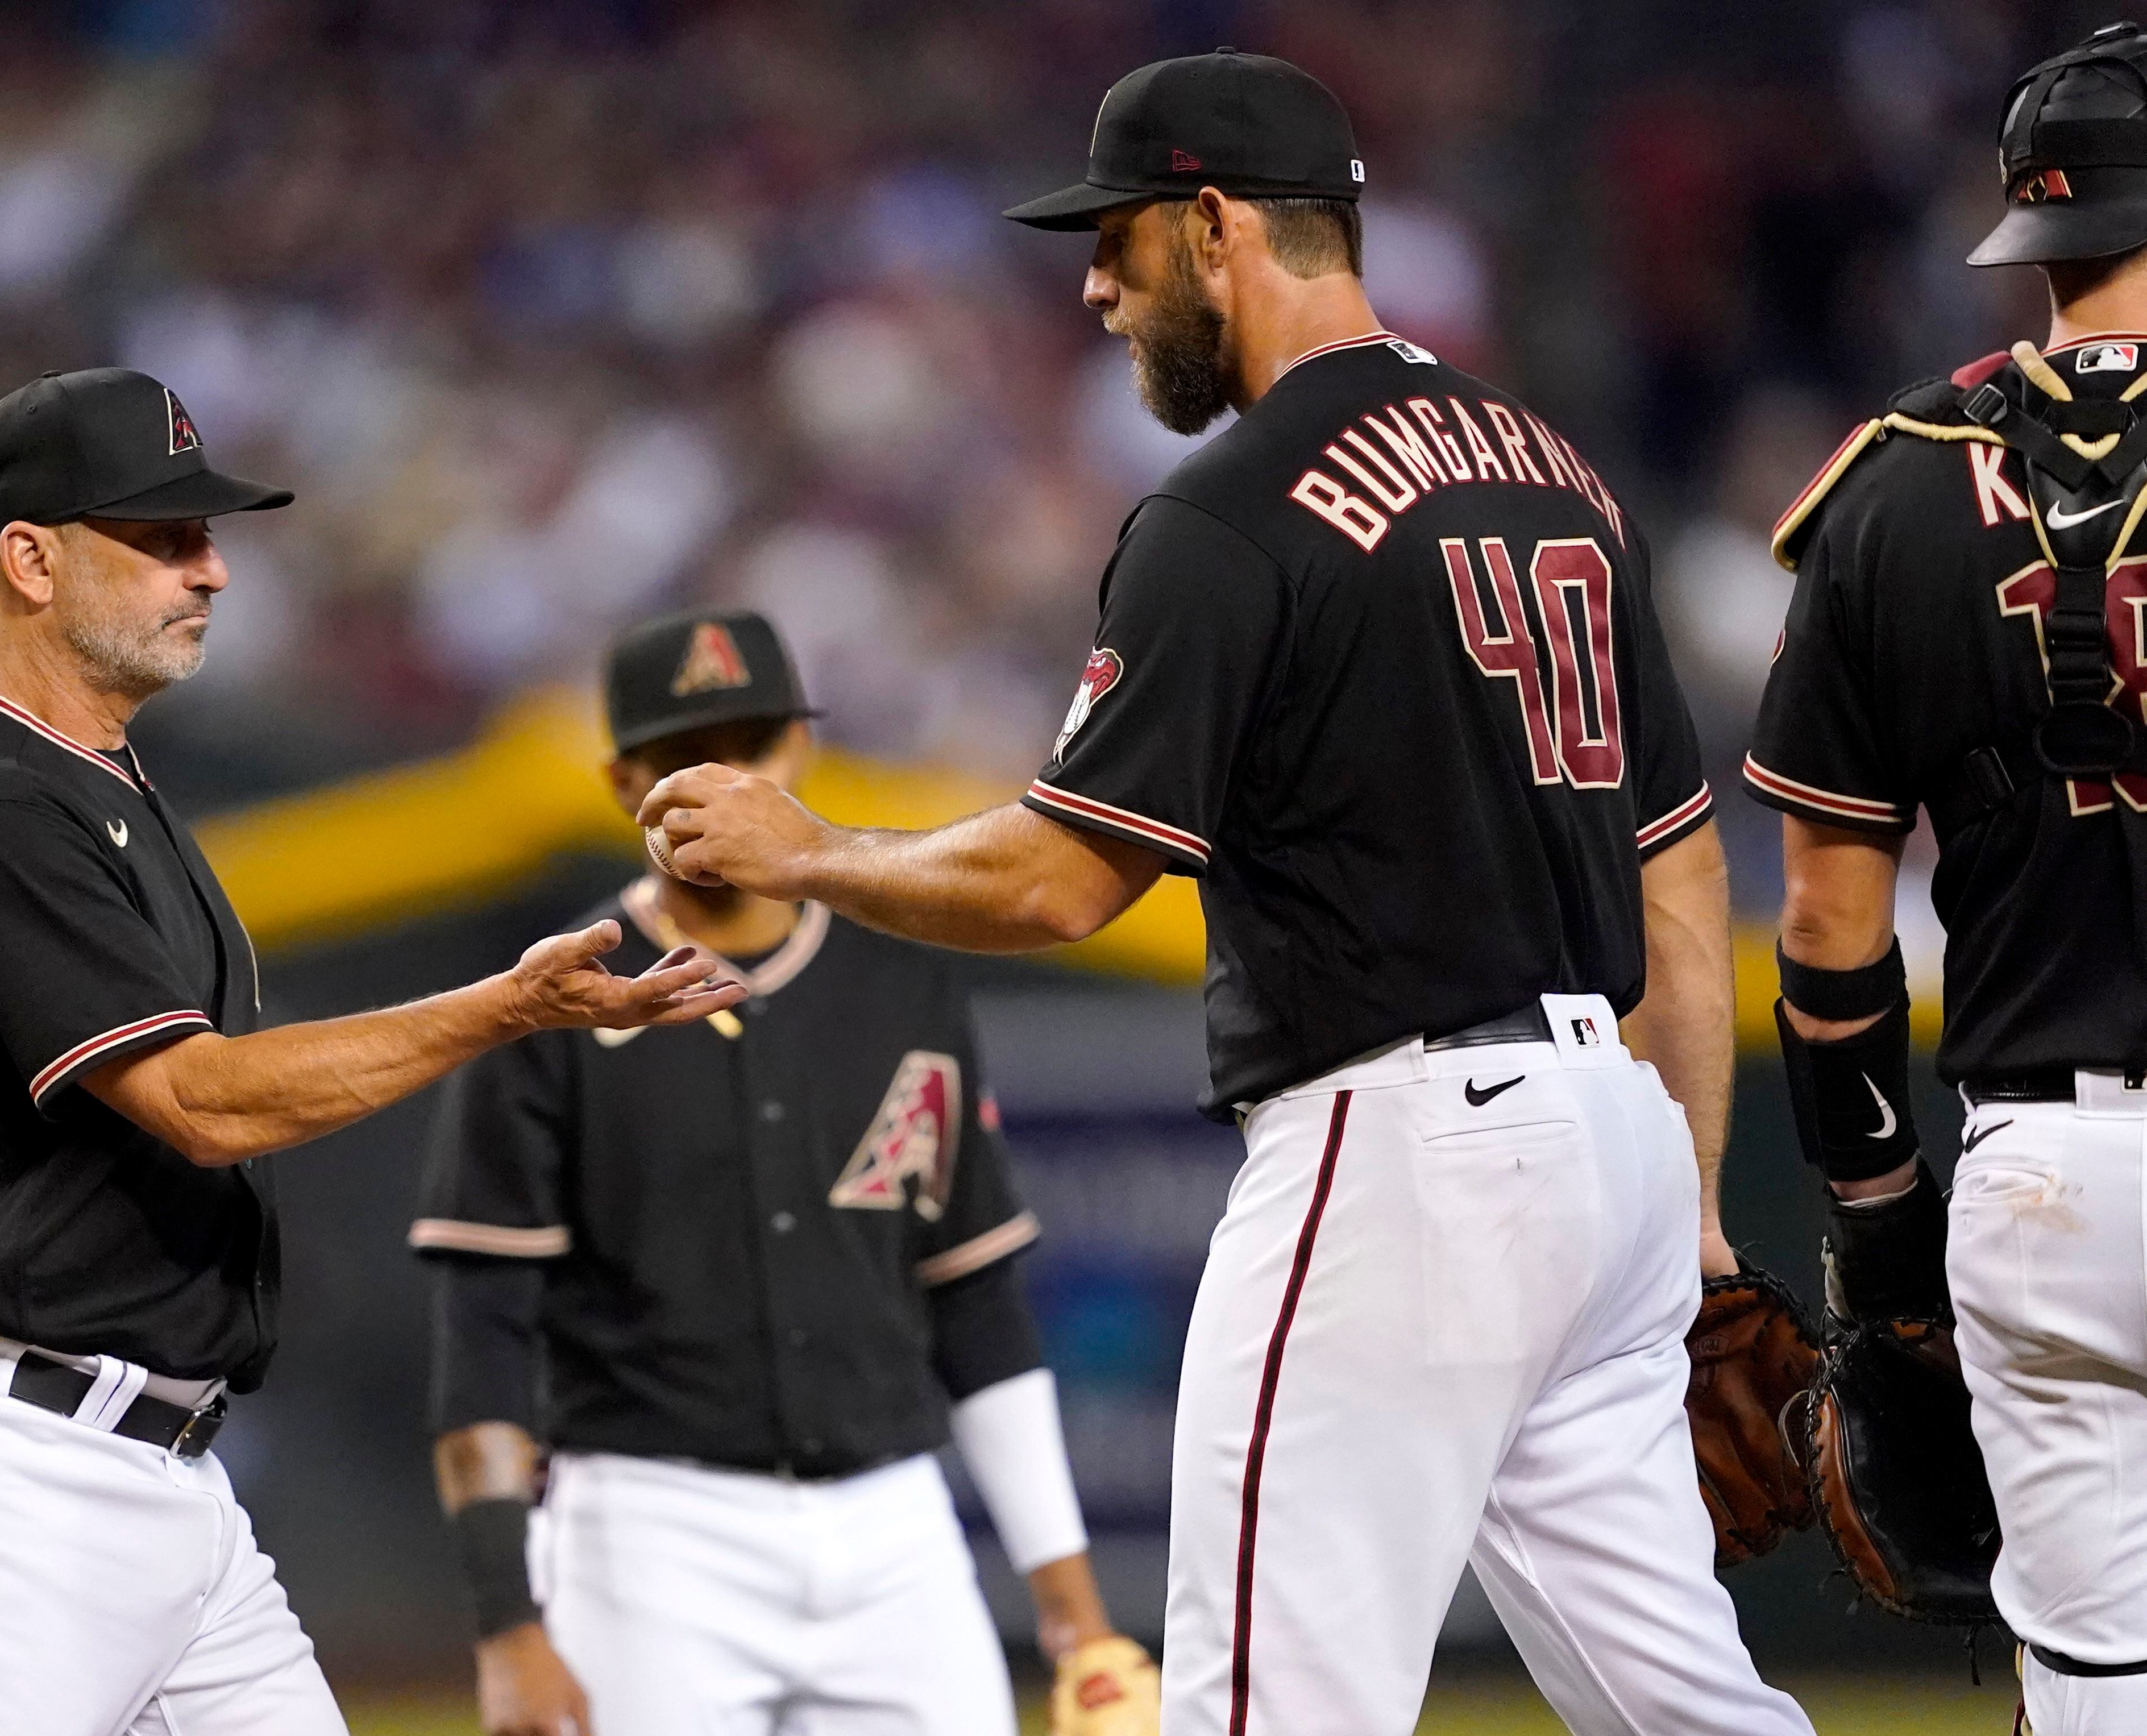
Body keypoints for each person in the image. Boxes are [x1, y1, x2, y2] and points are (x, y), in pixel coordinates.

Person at [637, 51, 1810, 1736]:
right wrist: (1688, 1208)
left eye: (1115, 239)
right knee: (1686, 1703)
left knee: (1262, 1704)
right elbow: (1679, 864)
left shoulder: (1230, 507)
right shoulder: (1550, 466)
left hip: (1405, 1149)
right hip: (1608, 1148)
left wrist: (805, 848)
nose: (1094, 286)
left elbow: (1058, 883)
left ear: (1212, 224)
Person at [0, 368, 741, 1735]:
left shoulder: (98, 784)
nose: (214, 568)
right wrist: (506, 1006)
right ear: (30, 559)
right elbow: (198, 1102)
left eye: (209, 534)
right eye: (166, 537)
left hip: (159, 1477)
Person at [413, 607, 1158, 1736]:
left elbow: (976, 1303)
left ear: (799, 753)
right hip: (648, 1530)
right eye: (684, 755)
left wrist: (1074, 1619)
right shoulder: (554, 999)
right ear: (621, 782)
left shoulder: (904, 974)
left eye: (752, 742)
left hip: (895, 1526)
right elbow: (483, 1337)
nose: (726, 779)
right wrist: (507, 1623)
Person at [1751, 23, 2147, 1730]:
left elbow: (1828, 928)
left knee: (2087, 1678)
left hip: (2042, 1175)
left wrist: (1874, 1219)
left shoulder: (1893, 483)